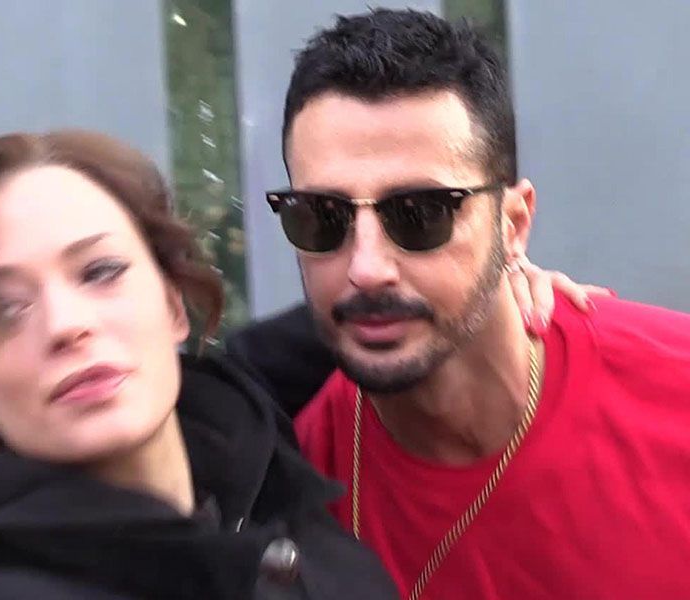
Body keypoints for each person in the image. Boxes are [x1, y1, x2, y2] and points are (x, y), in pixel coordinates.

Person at [258, 8, 690, 600]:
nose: (367, 268)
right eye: (321, 216)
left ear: (513, 224)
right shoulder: (288, 488)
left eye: (422, 213)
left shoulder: (673, 396)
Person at [0, 130, 400, 599]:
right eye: (3, 309)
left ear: (174, 304)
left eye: (100, 272)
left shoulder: (277, 499)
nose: (67, 324)